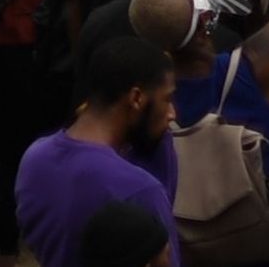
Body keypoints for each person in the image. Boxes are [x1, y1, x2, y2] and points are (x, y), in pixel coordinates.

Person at [16, 27, 178, 267]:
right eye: (167, 99)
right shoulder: (141, 190)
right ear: (136, 98)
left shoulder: (33, 159)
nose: (172, 114)